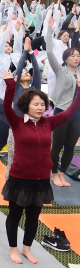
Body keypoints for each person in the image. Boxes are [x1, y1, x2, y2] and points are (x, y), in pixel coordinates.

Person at [2, 70, 80, 264]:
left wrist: (79, 89)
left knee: (33, 216)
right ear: (26, 106)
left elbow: (70, 111)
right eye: (35, 104)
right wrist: (11, 85)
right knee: (15, 215)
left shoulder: (49, 123)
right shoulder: (17, 122)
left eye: (42, 104)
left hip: (41, 179)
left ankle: (27, 248)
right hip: (19, 178)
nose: (39, 107)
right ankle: (13, 248)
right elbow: (6, 106)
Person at [46, 16, 80, 187]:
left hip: (77, 114)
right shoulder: (61, 71)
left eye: (78, 56)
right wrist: (50, 29)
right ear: (66, 58)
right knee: (57, 145)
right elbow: (50, 52)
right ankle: (53, 173)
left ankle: (62, 174)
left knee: (70, 146)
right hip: (62, 111)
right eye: (72, 55)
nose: (76, 58)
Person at [4, 38, 40, 180]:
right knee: (14, 158)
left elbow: (36, 70)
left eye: (27, 71)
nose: (25, 72)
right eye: (23, 71)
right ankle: (10, 183)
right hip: (17, 129)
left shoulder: (35, 88)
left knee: (32, 158)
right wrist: (25, 52)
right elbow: (18, 70)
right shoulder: (16, 89)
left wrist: (31, 52)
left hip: (34, 128)